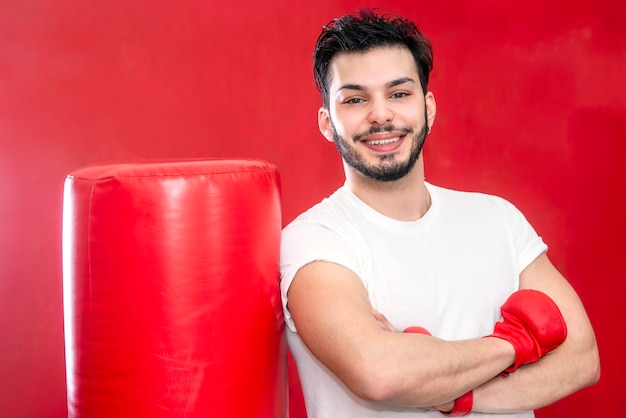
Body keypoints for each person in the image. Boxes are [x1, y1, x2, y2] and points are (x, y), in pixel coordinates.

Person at [279, 8, 600, 418]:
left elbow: (582, 356)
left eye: (399, 93)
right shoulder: (312, 240)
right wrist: (516, 344)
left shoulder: (497, 219)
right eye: (355, 99)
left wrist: (455, 396)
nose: (381, 115)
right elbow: (380, 373)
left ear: (428, 108)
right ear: (328, 122)